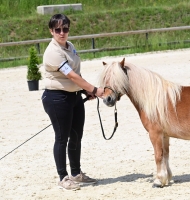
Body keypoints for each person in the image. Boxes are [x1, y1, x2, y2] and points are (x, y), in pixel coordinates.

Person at [41, 13, 103, 191]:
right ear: (51, 31)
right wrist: (94, 90)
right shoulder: (53, 52)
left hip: (74, 97)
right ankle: (63, 177)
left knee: (76, 136)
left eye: (65, 29)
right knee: (61, 138)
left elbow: (77, 73)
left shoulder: (70, 47)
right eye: (58, 29)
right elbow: (71, 75)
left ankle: (76, 173)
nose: (62, 32)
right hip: (57, 98)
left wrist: (84, 90)